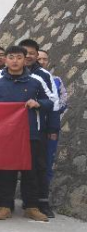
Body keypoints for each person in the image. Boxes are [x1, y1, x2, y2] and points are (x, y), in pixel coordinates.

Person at [0, 45, 54, 222]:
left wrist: (38, 103)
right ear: (5, 59)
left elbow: (52, 101)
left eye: (19, 57)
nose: (15, 61)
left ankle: (32, 207)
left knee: (31, 171)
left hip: (31, 134)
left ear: (25, 60)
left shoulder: (36, 80)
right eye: (11, 57)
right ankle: (5, 206)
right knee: (6, 172)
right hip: (5, 135)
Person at [18, 38, 60, 218]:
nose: (28, 56)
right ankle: (7, 203)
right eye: (24, 53)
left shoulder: (44, 75)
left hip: (38, 129)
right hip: (13, 131)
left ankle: (40, 202)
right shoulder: (7, 73)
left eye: (32, 53)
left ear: (37, 55)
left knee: (39, 167)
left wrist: (53, 128)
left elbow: (54, 102)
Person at [38, 49, 69, 198]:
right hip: (32, 128)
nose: (42, 62)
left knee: (47, 162)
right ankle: (29, 198)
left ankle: (43, 197)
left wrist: (50, 112)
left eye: (44, 59)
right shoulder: (28, 79)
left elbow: (63, 100)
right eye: (39, 59)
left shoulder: (56, 80)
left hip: (51, 128)